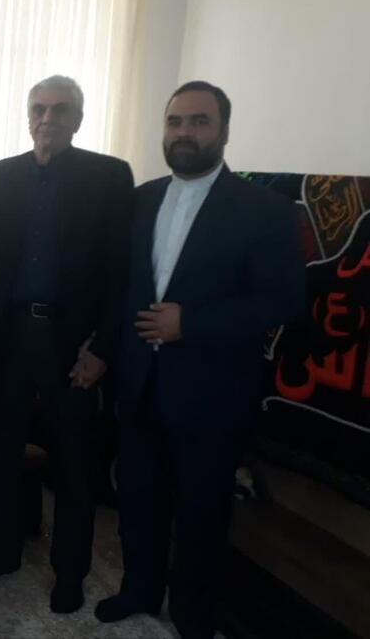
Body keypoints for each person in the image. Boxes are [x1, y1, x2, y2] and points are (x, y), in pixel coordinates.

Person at [95, 81, 306, 639]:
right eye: (175, 121)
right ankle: (139, 590)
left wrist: (192, 323)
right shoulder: (140, 200)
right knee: (138, 500)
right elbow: (121, 287)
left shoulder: (265, 210)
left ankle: (192, 614)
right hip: (140, 385)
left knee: (201, 513)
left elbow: (284, 301)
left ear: (224, 131)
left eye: (199, 121)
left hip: (213, 393)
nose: (184, 132)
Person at [0, 75, 134, 612]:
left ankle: (70, 572)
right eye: (38, 108)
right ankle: (4, 552)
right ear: (28, 115)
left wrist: (103, 349)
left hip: (74, 345)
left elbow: (120, 275)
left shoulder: (109, 177)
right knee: (2, 454)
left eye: (60, 110)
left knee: (75, 463)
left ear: (77, 119)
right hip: (10, 338)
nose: (47, 118)